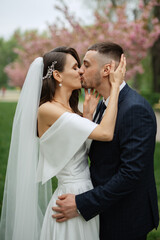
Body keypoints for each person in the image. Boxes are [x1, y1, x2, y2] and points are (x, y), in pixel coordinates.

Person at [0, 46, 125, 240]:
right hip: (71, 199)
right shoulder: (47, 110)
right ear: (57, 75)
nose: (81, 71)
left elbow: (75, 146)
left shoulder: (68, 110)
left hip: (84, 195)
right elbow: (106, 133)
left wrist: (88, 116)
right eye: (75, 67)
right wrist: (115, 87)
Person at [52, 42, 159, 240]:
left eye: (86, 65)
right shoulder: (103, 105)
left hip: (125, 218)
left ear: (106, 69)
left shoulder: (135, 110)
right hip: (105, 211)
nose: (81, 71)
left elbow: (131, 174)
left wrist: (81, 203)